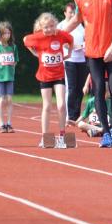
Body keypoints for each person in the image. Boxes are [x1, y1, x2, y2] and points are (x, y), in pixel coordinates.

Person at [62, 0, 112, 148]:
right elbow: (77, 19)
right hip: (93, 51)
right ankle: (105, 132)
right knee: (97, 90)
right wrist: (60, 34)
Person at [24, 12, 73, 146]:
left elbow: (71, 39)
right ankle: (45, 137)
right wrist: (35, 53)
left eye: (51, 26)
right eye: (46, 27)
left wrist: (69, 53)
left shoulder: (61, 35)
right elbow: (25, 40)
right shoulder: (38, 37)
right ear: (41, 27)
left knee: (61, 105)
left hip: (59, 75)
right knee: (47, 106)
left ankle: (62, 135)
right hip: (45, 76)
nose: (49, 29)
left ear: (55, 25)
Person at [59, 2, 88, 125]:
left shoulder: (80, 25)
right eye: (70, 12)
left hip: (81, 60)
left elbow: (86, 39)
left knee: (80, 89)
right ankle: (69, 116)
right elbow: (61, 42)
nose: (72, 15)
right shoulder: (61, 26)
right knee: (71, 88)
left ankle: (76, 115)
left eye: (74, 12)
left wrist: (83, 45)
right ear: (65, 13)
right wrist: (72, 46)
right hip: (69, 60)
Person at [0, 20, 19, 133]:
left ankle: (9, 123)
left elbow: (15, 60)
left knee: (9, 99)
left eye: (9, 33)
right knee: (1, 100)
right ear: (0, 34)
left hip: (10, 76)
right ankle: (2, 124)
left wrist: (10, 68)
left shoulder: (13, 47)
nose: (7, 35)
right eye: (5, 33)